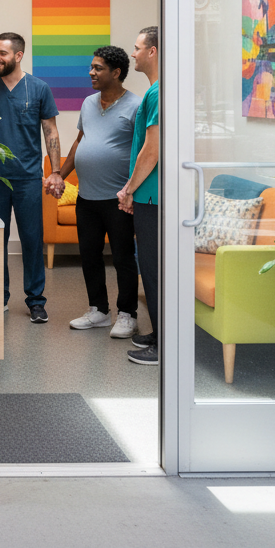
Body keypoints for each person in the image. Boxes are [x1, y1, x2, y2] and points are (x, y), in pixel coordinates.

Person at [0, 32, 64, 323]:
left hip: (28, 179)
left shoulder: (38, 88)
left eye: (3, 54)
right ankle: (0, 296)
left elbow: (51, 131)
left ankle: (35, 301)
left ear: (18, 56)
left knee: (32, 240)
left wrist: (56, 172)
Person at [61, 46, 141, 339]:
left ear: (116, 73)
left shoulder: (136, 105)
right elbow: (79, 142)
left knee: (122, 258)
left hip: (118, 199)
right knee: (89, 256)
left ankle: (127, 314)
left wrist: (132, 189)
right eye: (91, 67)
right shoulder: (88, 103)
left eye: (98, 68)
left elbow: (146, 151)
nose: (91, 73)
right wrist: (60, 174)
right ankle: (99, 311)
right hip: (87, 198)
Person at [118, 26, 160, 366]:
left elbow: (152, 150)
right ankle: (160, 333)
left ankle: (163, 347)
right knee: (150, 267)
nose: (133, 54)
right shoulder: (155, 91)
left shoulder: (159, 92)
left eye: (137, 48)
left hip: (153, 198)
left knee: (153, 269)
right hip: (148, 197)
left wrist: (129, 188)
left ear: (153, 51)